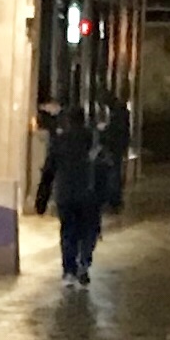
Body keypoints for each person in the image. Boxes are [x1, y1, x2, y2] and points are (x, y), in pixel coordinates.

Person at [36, 108, 104, 286]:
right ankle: (84, 263)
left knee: (68, 232)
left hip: (65, 195)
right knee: (88, 231)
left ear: (68, 121)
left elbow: (48, 171)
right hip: (89, 195)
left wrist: (41, 199)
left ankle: (69, 271)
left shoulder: (59, 141)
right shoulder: (93, 140)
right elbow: (103, 168)